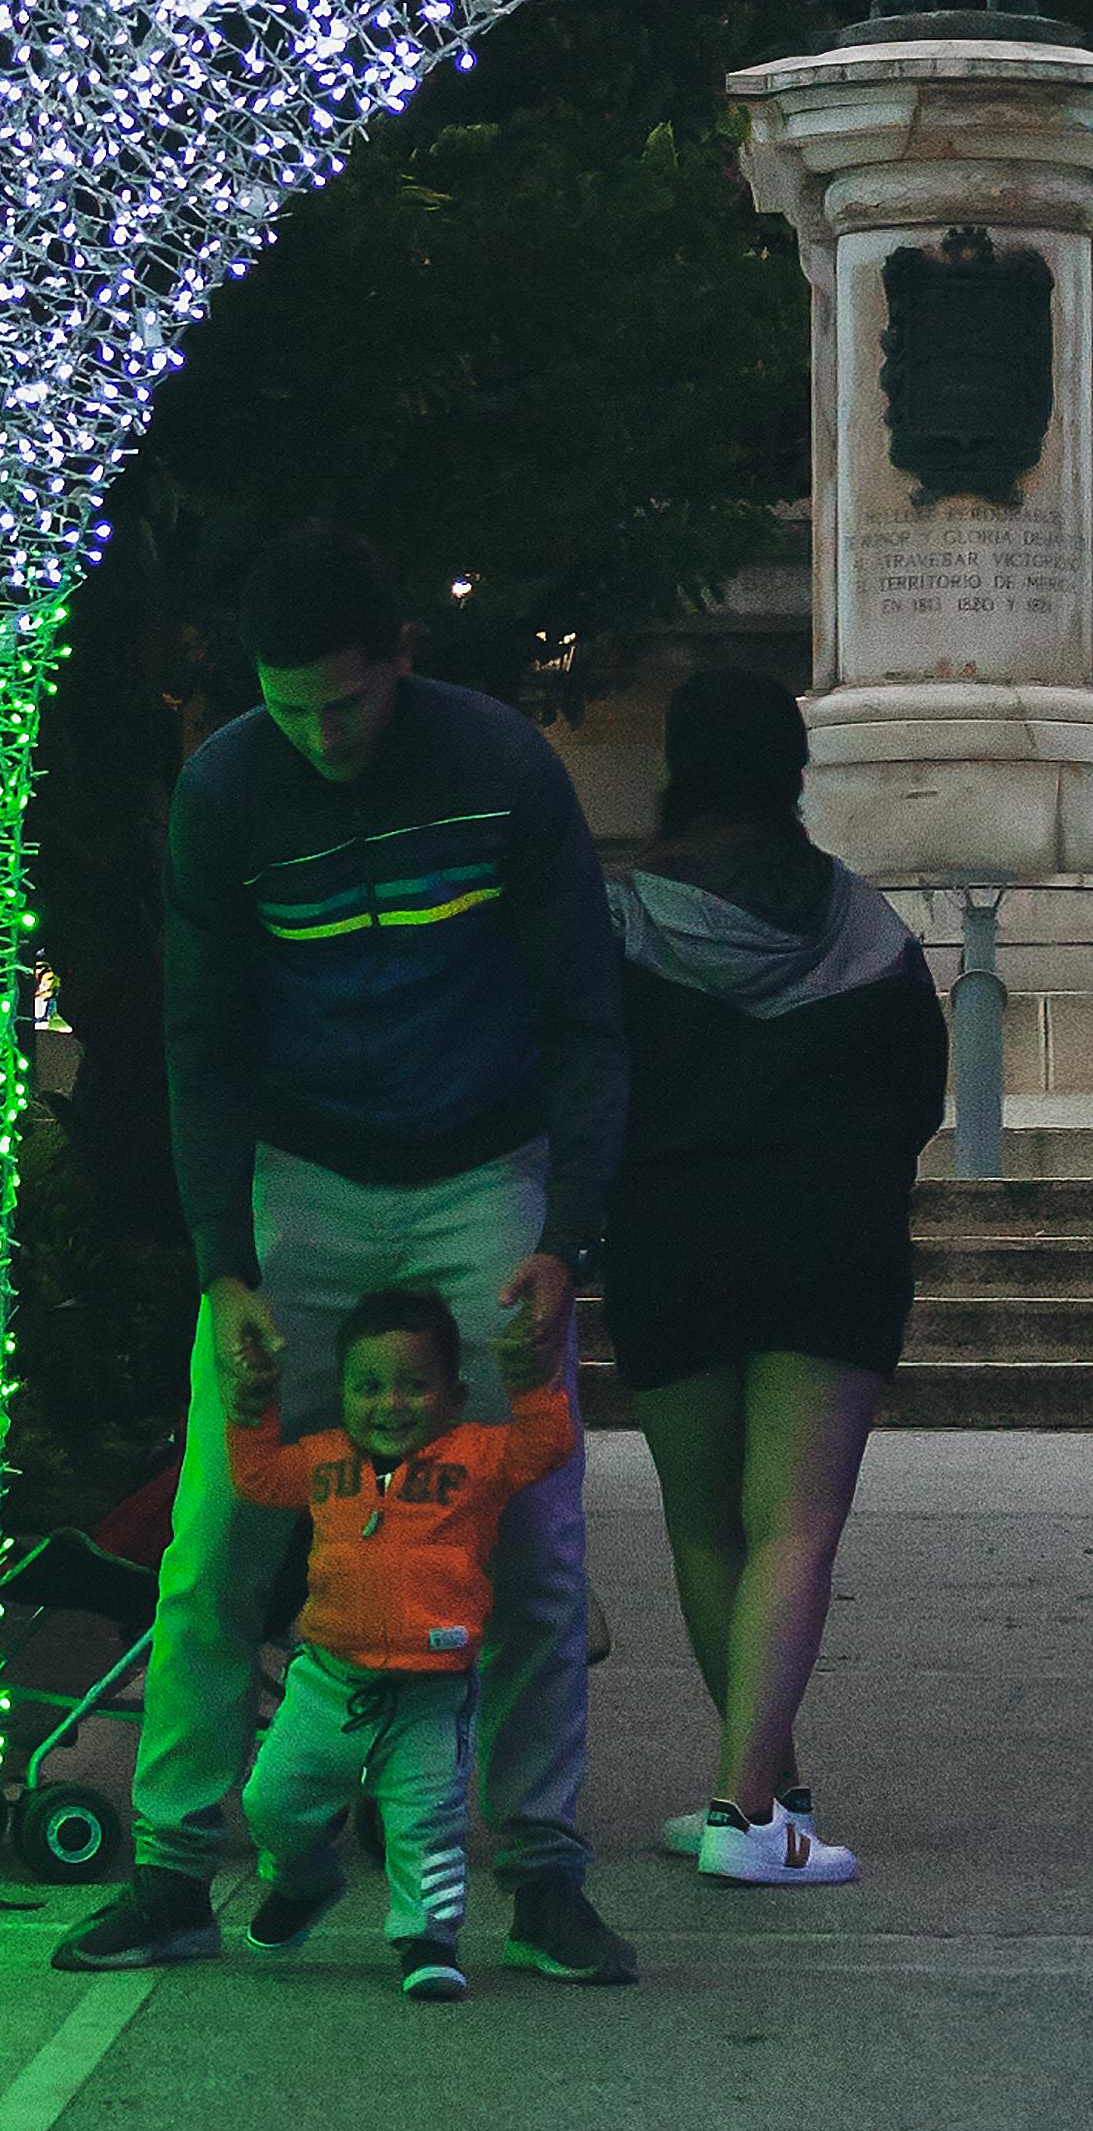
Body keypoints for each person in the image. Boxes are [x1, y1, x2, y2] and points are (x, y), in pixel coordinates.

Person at [56, 513, 638, 1983]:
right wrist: (223, 1266)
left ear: (401, 663)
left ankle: (545, 1872)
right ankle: (176, 1867)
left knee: (535, 1539)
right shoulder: (227, 789)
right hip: (300, 1178)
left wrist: (567, 1241)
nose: (316, 737)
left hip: (485, 1171)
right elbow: (200, 1038)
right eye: (287, 707)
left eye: (345, 702)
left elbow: (586, 1017)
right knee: (216, 1535)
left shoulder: (503, 770)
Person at [602, 669, 946, 1884]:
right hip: (828, 1232)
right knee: (794, 1524)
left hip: (667, 1229)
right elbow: (918, 1092)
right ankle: (753, 1805)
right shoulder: (865, 924)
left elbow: (584, 1079)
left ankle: (758, 1794)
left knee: (704, 1527)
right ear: (793, 772)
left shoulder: (621, 918)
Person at [232, 1285, 578, 2002]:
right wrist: (253, 1405)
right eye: (368, 1386)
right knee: (270, 1802)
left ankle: (428, 1938)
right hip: (326, 1684)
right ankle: (303, 1881)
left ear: (453, 1394)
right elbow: (258, 1476)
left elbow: (546, 1446)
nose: (391, 1404)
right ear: (342, 1393)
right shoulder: (326, 1460)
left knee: (427, 1826)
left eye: (415, 1385)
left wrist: (529, 1380)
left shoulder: (476, 1457)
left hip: (430, 1693)